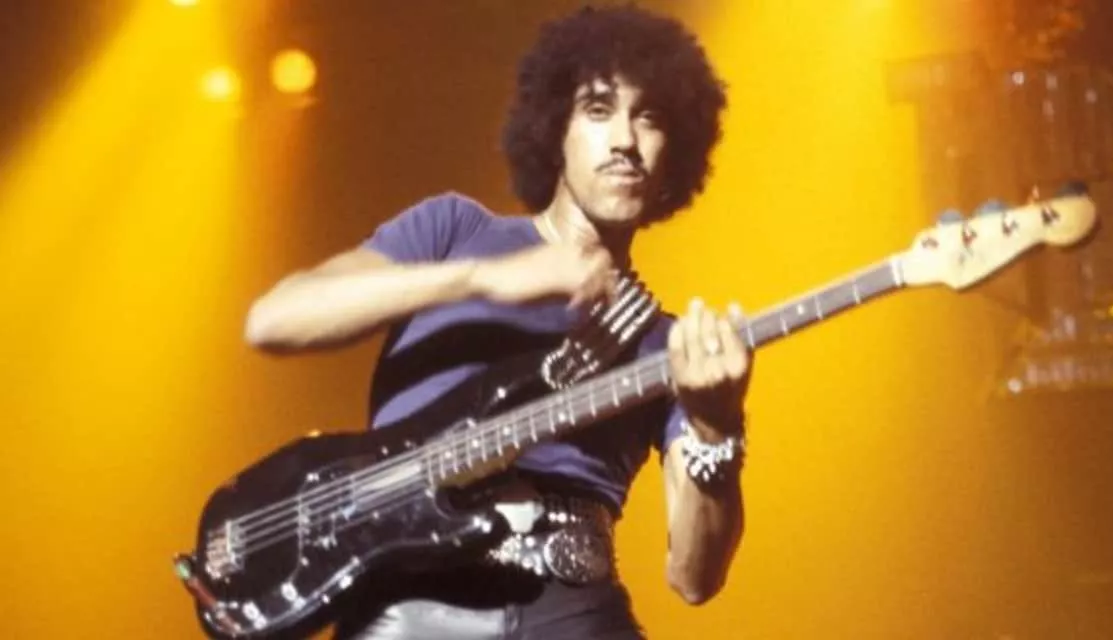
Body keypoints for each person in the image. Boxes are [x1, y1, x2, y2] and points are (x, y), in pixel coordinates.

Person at [245, 5, 750, 639]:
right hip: (410, 603)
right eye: (598, 110)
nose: (625, 140)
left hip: (571, 605)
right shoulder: (454, 230)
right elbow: (275, 319)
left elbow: (694, 578)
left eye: (649, 117)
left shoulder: (665, 343)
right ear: (555, 130)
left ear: (675, 152)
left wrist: (717, 430)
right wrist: (481, 279)